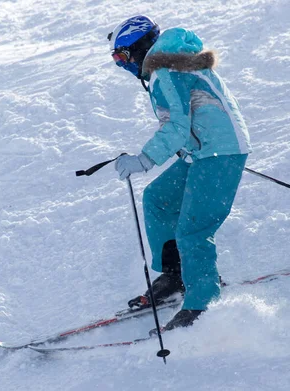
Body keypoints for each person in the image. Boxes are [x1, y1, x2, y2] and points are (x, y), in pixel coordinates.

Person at [108, 15, 251, 331]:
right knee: (158, 199)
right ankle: (176, 274)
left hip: (219, 153)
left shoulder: (165, 71)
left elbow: (176, 125)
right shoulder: (170, 66)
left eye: (122, 57)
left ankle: (204, 301)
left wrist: (144, 159)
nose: (123, 65)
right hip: (203, 152)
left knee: (192, 229)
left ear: (139, 46)